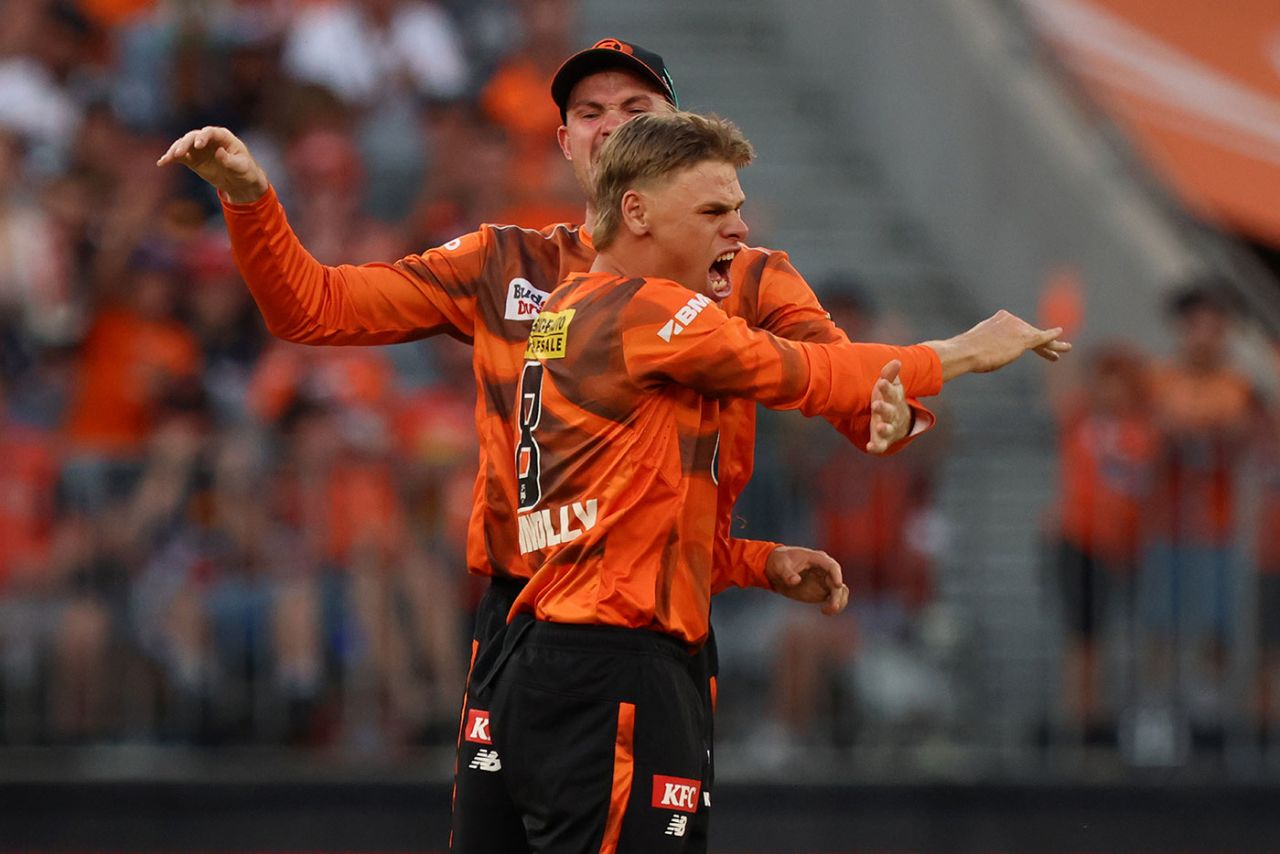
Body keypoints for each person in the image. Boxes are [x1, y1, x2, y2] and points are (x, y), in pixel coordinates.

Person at [158, 38, 1066, 850]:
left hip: (643, 606)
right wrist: (250, 199)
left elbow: (847, 392)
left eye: (636, 109)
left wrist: (882, 423)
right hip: (530, 617)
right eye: (589, 112)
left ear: (673, 136)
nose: (610, 126)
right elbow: (312, 308)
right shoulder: (504, 262)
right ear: (564, 143)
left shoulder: (744, 274)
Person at [483, 110, 1068, 853]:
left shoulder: (562, 312)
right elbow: (805, 371)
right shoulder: (648, 310)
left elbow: (618, 529)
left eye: (738, 208)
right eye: (713, 211)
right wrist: (965, 351)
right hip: (613, 669)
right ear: (636, 212)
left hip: (571, 656)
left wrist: (759, 562)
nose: (738, 229)